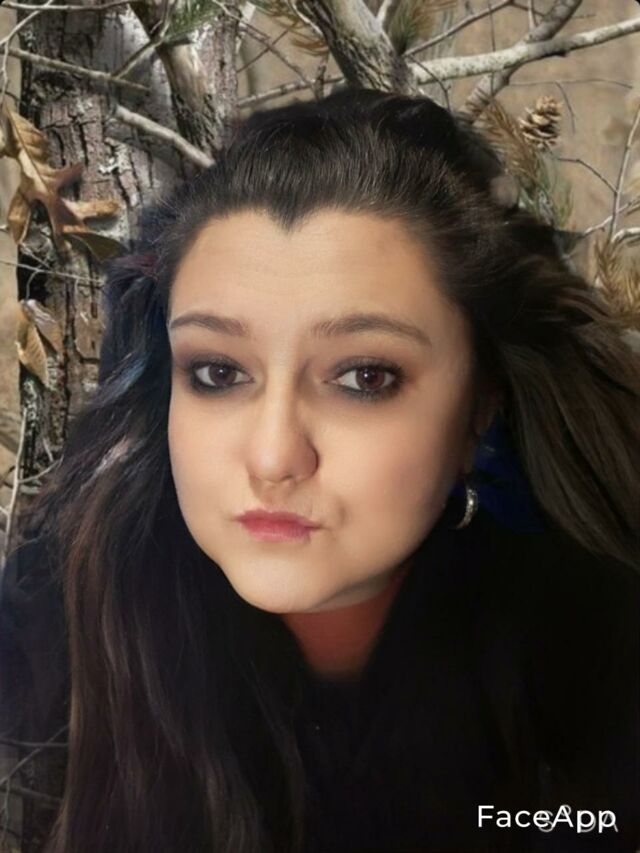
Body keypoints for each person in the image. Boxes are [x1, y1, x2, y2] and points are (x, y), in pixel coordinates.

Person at [0, 88, 638, 853]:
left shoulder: (595, 664)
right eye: (217, 372)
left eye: (365, 377)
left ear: (480, 407)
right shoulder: (64, 621)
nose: (273, 456)